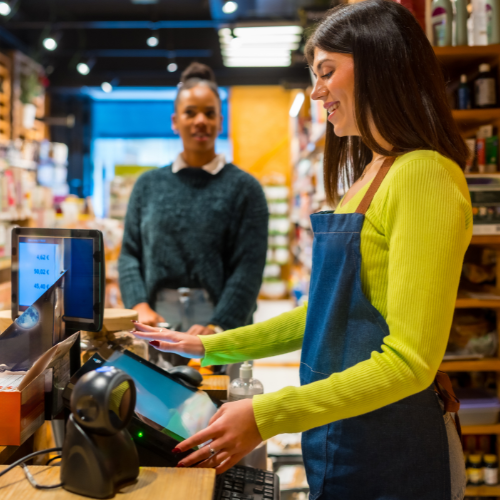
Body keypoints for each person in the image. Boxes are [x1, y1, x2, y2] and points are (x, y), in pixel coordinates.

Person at [131, 2, 472, 498]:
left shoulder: (425, 175)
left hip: (396, 450)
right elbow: (322, 315)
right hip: (347, 429)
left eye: (327, 72)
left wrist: (269, 415)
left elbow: (409, 363)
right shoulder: (373, 174)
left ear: (379, 63)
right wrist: (208, 346)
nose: (317, 91)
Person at [118, 62, 268, 362]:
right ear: (175, 121)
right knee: (155, 404)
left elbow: (249, 268)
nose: (200, 121)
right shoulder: (148, 185)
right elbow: (129, 254)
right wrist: (139, 304)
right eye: (190, 113)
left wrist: (220, 323)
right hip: (157, 321)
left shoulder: (246, 189)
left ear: (220, 121)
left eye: (209, 113)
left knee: (219, 403)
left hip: (221, 322)